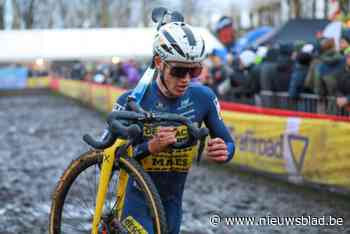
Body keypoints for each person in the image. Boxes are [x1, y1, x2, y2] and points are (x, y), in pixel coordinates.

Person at [114, 21, 235, 234]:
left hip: (172, 203)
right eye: (179, 71)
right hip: (137, 201)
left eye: (194, 71)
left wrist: (224, 150)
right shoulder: (132, 100)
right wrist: (149, 147)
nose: (186, 79)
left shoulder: (203, 98)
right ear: (159, 63)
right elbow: (105, 160)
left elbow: (229, 142)